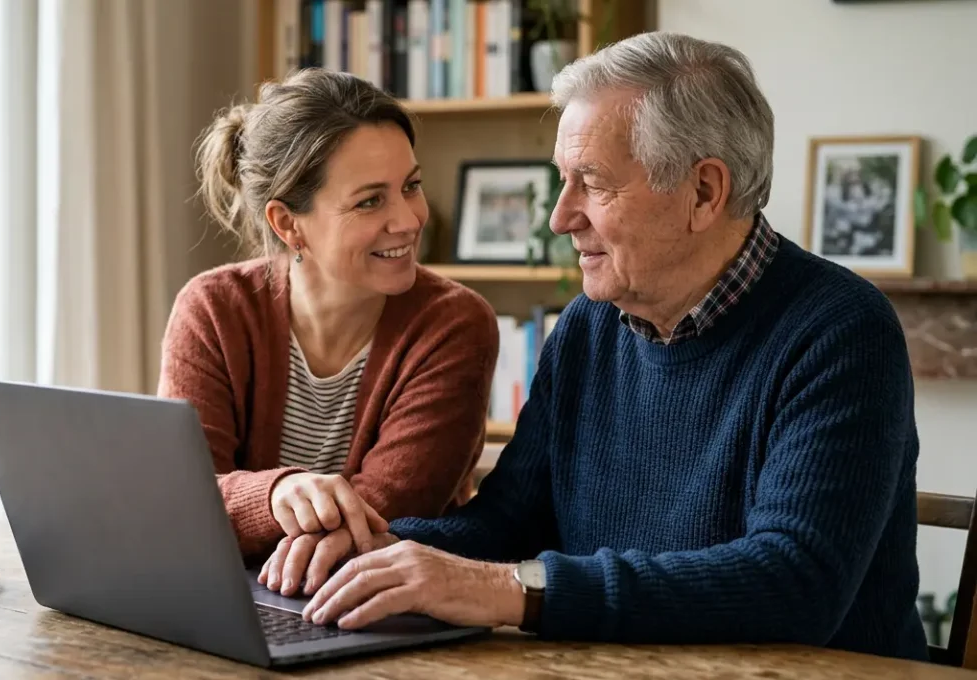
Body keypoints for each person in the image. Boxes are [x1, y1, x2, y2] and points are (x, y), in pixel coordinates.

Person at [261, 32, 930, 662]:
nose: (560, 216)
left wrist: (508, 591)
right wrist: (373, 549)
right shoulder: (590, 324)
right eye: (562, 179)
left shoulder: (841, 331)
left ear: (703, 191)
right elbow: (507, 523)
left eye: (593, 182)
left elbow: (794, 583)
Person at [158, 68, 499, 569]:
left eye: (411, 186)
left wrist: (234, 512)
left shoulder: (454, 325)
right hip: (233, 599)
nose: (408, 220)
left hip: (388, 610)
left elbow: (385, 514)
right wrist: (274, 494)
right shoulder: (212, 309)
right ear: (288, 223)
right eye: (369, 201)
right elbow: (178, 500)